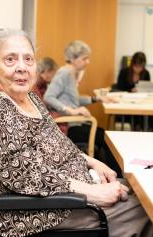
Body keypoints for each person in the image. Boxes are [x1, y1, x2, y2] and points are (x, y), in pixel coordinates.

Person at [0, 28, 153, 237]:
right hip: (27, 210)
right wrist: (90, 193)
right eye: (10, 59)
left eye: (28, 59)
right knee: (144, 211)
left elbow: (57, 141)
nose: (21, 67)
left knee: (139, 193)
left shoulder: (29, 97)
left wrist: (90, 161)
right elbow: (20, 171)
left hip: (64, 188)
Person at [43, 40, 120, 172]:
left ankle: (111, 174)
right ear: (73, 58)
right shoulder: (65, 73)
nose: (88, 62)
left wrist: (97, 98)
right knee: (106, 139)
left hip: (74, 124)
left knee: (105, 136)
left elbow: (74, 99)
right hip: (69, 127)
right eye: (85, 58)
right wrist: (71, 111)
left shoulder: (71, 73)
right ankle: (116, 175)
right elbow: (48, 97)